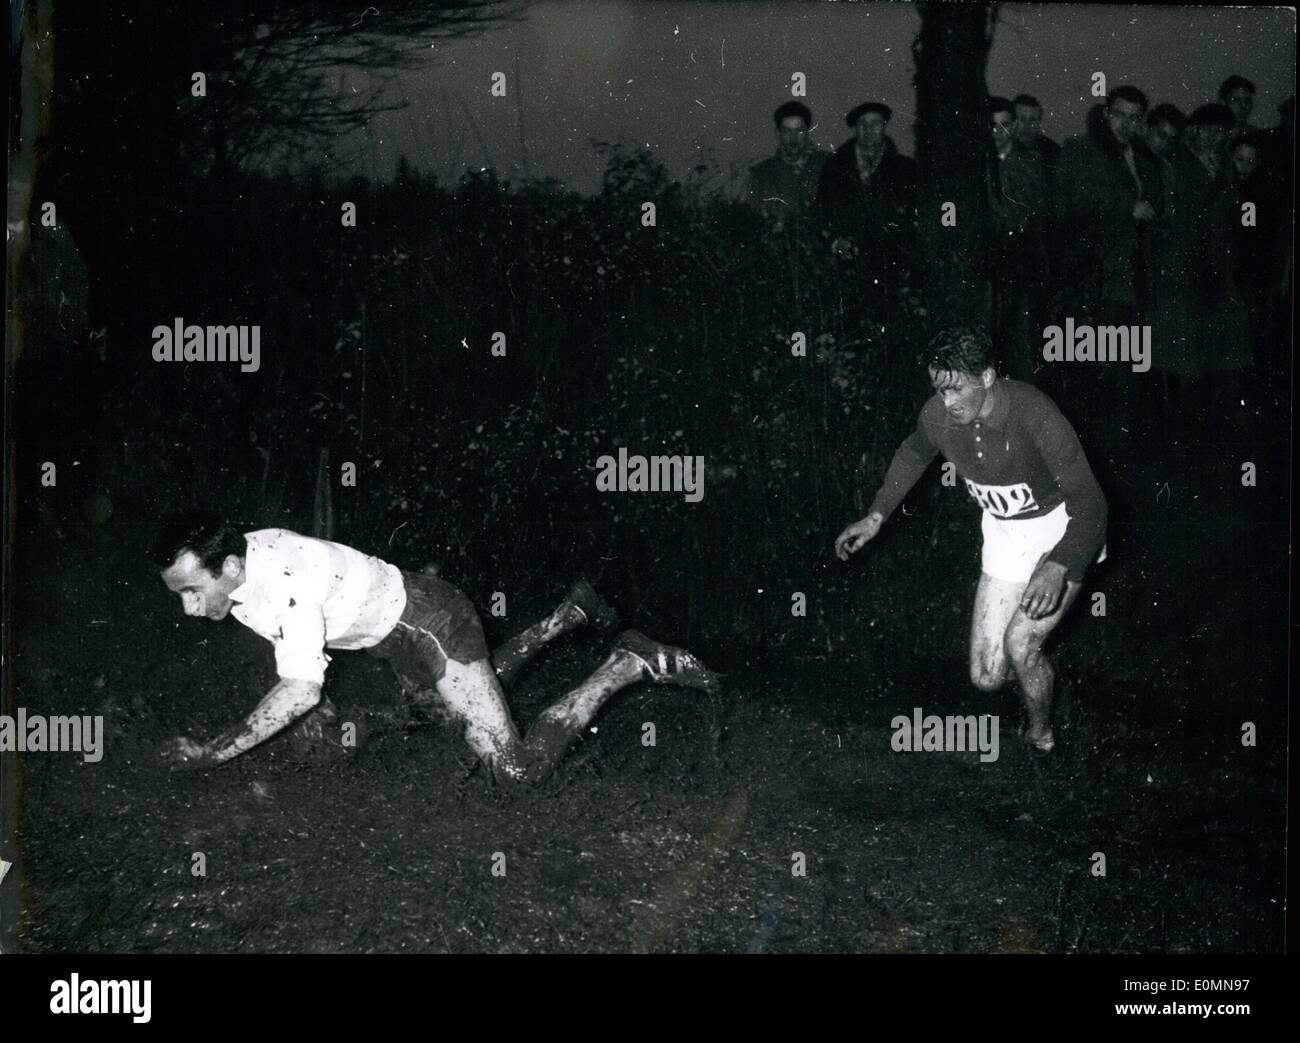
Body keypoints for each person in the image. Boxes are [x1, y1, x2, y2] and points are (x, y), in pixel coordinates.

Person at [153, 514, 719, 784]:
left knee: (514, 768)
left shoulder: (281, 577)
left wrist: (212, 752)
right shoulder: (243, 569)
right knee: (451, 715)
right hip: (396, 635)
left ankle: (628, 662)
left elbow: (301, 688)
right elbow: (298, 663)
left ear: (226, 567)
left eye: (191, 592)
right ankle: (567, 615)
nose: (188, 608)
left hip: (431, 623)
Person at [835, 328, 1107, 754]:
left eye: (957, 389)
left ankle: (1043, 737)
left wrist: (1060, 564)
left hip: (1059, 529)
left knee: (1021, 643)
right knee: (986, 676)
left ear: (986, 376)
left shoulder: (1036, 415)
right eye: (939, 391)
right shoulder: (937, 414)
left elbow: (1092, 504)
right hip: (1002, 530)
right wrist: (876, 515)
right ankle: (1041, 675)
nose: (948, 403)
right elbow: (914, 452)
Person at [1054, 85, 1163, 453]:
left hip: (1133, 278)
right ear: (1105, 114)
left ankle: (1115, 452)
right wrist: (1125, 209)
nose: (1125, 124)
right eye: (1119, 114)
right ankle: (1086, 451)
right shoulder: (1079, 151)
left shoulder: (1143, 160)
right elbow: (1071, 202)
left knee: (1126, 368)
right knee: (1092, 366)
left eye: (1134, 117)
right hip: (1092, 279)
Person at [815, 100, 917, 325]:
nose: (869, 130)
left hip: (892, 268)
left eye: (876, 123)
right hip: (845, 266)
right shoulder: (835, 168)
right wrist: (835, 241)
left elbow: (913, 218)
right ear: (854, 129)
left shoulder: (906, 169)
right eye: (863, 124)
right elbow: (821, 211)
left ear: (885, 126)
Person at [988, 96, 1050, 381]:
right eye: (992, 126)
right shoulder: (978, 165)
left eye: (1005, 125)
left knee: (1020, 349)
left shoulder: (1029, 164)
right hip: (988, 271)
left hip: (1021, 269)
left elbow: (1023, 216)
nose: (999, 132)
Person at [746, 100, 830, 230]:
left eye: (799, 131)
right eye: (787, 132)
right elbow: (753, 222)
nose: (793, 139)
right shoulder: (760, 174)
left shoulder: (830, 165)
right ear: (777, 133)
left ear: (808, 132)